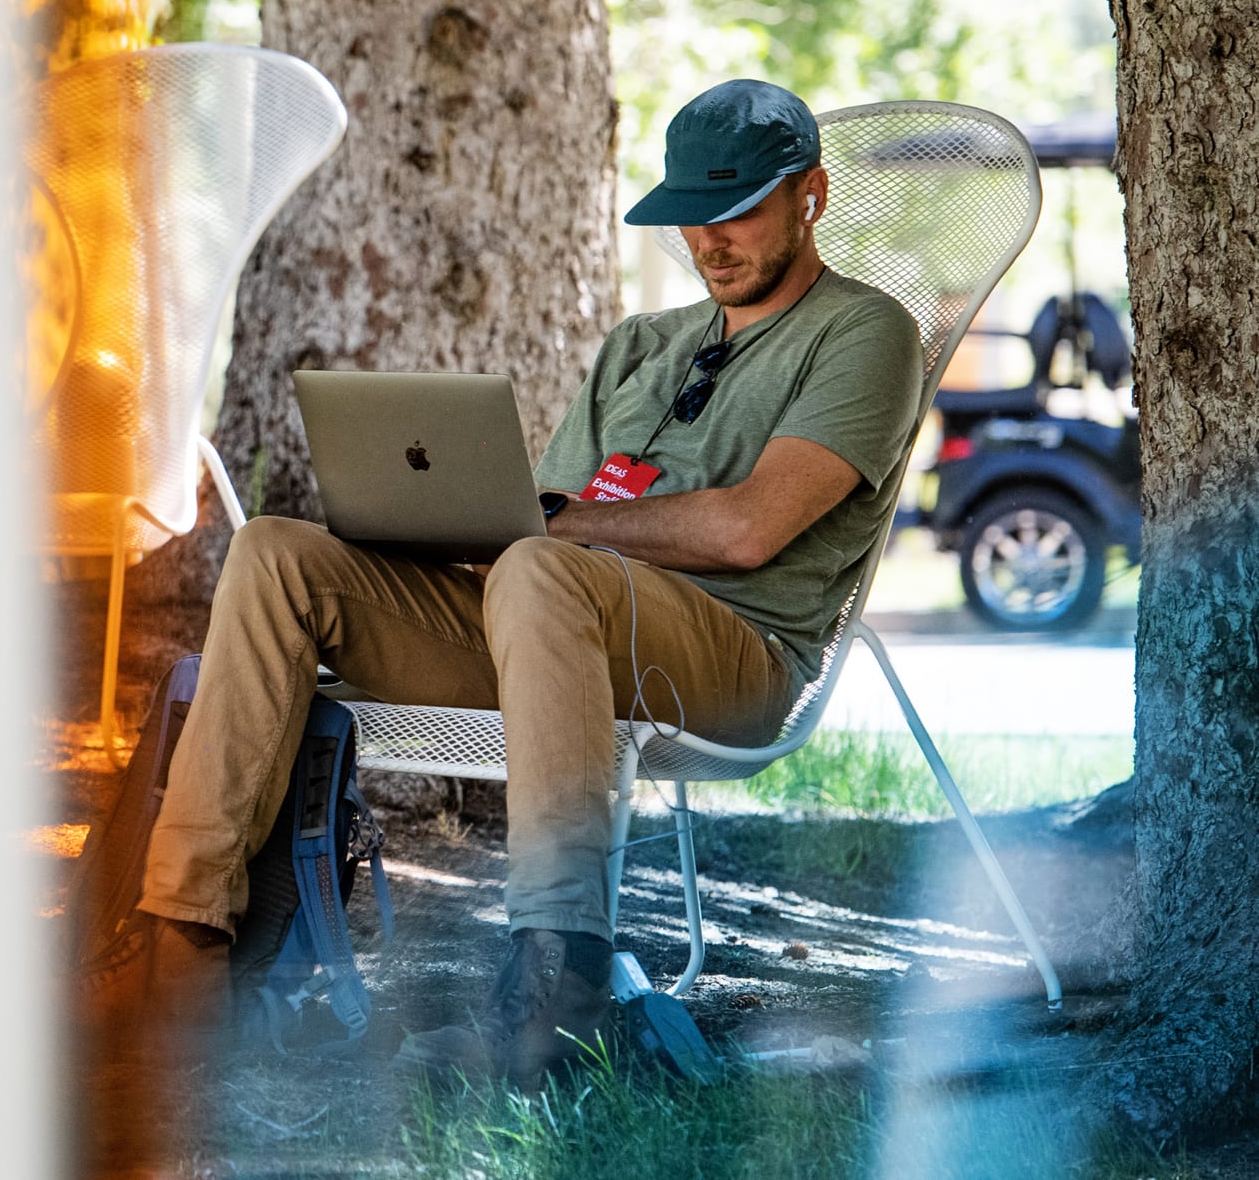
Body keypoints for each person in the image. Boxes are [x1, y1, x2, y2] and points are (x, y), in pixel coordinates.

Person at [92, 79, 922, 1085]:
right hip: (555, 628)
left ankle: (554, 986)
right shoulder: (642, 346)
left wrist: (552, 529)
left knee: (540, 565)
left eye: (737, 207)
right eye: (689, 216)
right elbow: (535, 533)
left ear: (812, 196)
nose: (709, 238)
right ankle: (181, 951)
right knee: (277, 554)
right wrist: (424, 524)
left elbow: (748, 530)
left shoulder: (864, 330)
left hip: (731, 653)